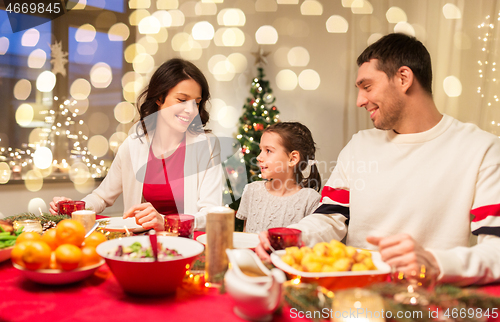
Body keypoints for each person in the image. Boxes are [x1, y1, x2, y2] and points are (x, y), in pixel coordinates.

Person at [257, 33, 500, 286]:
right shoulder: (359, 145)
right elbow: (330, 217)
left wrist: (434, 263)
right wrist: (291, 236)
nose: (360, 101)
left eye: (367, 86)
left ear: (404, 78)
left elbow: (497, 250)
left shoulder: (482, 149)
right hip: (355, 297)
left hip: (431, 299)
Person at [50, 58, 224, 231]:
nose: (191, 110)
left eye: (197, 102)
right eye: (182, 100)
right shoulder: (133, 145)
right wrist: (75, 208)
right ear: (160, 98)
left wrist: (166, 222)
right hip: (141, 246)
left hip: (188, 245)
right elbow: (102, 197)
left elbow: (211, 214)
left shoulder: (207, 147)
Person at [236, 122, 321, 233]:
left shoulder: (310, 200)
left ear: (293, 159)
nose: (258, 157)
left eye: (268, 151)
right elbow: (246, 238)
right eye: (261, 150)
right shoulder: (251, 191)